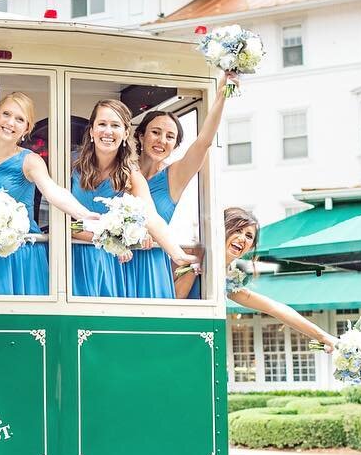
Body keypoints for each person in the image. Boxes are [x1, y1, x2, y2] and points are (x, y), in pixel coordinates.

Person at [0, 91, 97, 296]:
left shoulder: (30, 160)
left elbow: (52, 191)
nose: (11, 122)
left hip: (22, 254)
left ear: (27, 128)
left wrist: (83, 214)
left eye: (19, 119)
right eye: (6, 114)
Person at [69, 99, 197, 298]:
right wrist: (104, 236)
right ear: (92, 131)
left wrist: (177, 254)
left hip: (111, 267)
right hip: (72, 261)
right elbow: (65, 225)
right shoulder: (70, 167)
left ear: (125, 133)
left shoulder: (131, 176)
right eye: (102, 124)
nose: (108, 131)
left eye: (115, 125)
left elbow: (151, 218)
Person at [126, 72, 231, 298]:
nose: (162, 140)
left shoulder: (174, 175)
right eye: (155, 132)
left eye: (170, 136)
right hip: (118, 259)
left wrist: (222, 94)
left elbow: (204, 142)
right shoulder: (122, 171)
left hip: (152, 263)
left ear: (175, 144)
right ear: (141, 136)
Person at [179, 207, 338, 348]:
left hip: (197, 343)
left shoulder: (231, 279)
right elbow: (176, 299)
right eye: (237, 230)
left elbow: (274, 308)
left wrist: (324, 337)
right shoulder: (189, 253)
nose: (242, 239)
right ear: (221, 230)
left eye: (249, 236)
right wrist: (195, 266)